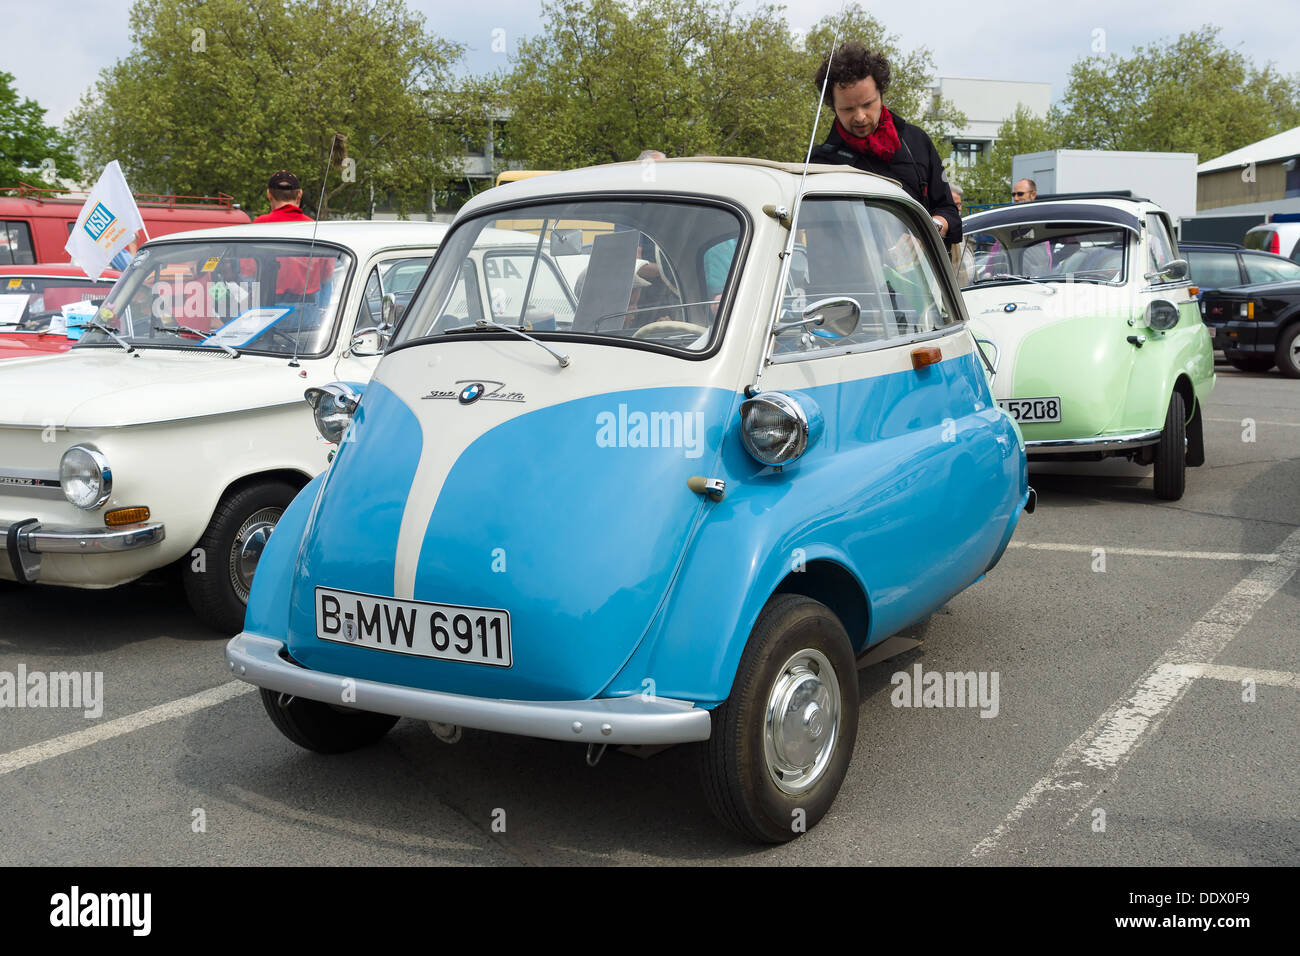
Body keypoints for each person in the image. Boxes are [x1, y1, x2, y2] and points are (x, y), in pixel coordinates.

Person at [809, 42, 960, 250]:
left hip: (923, 278)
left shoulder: (917, 141)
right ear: (832, 106)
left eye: (867, 104)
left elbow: (950, 213)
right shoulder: (819, 164)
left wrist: (927, 231)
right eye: (848, 109)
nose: (860, 117)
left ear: (881, 93)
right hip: (851, 280)